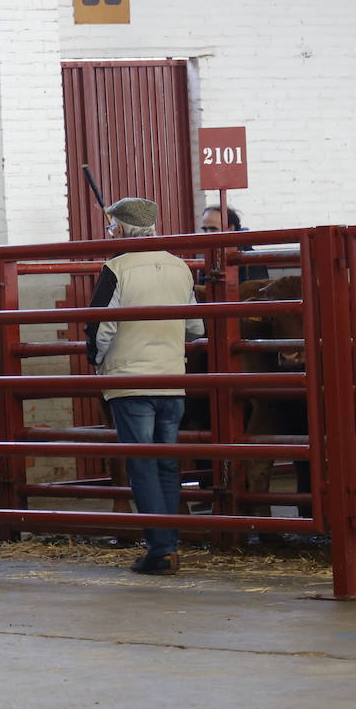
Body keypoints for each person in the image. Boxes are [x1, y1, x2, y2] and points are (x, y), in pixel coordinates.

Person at [86, 197, 205, 575]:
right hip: (172, 379)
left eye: (111, 227)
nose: (109, 234)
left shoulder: (115, 268)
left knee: (143, 466)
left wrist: (96, 361)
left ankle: (161, 549)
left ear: (120, 229)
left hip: (129, 380)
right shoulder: (179, 267)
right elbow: (195, 327)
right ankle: (169, 544)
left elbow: (99, 328)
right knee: (167, 464)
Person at [200, 204, 269, 283]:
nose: (207, 234)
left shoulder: (250, 258)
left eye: (213, 229)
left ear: (231, 228)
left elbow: (255, 291)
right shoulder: (208, 257)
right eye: (205, 229)